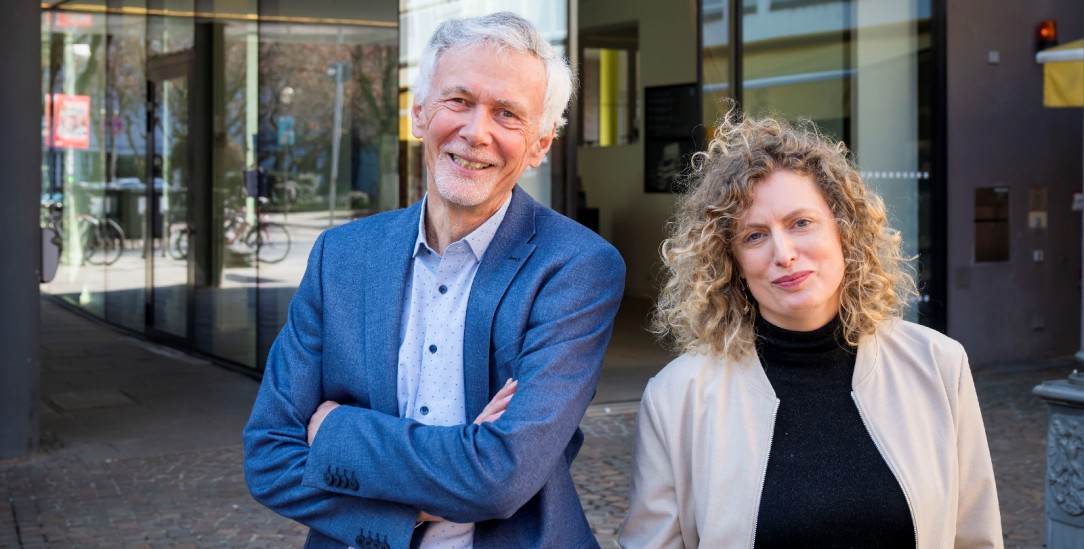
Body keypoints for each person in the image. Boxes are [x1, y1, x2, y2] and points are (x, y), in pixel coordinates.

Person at [243, 12, 625, 549]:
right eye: (459, 101)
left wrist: (333, 431)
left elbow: (500, 476)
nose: (476, 132)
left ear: (541, 143)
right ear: (419, 113)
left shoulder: (576, 267)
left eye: (508, 114)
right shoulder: (341, 257)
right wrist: (427, 497)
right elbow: (268, 455)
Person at [619, 111, 1002, 548]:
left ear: (845, 231)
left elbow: (976, 539)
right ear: (732, 263)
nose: (784, 253)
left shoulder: (938, 366)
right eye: (754, 236)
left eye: (801, 223)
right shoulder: (677, 398)